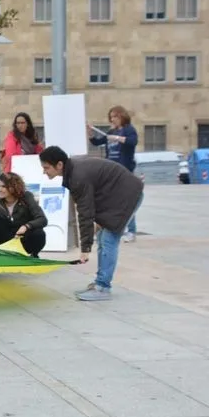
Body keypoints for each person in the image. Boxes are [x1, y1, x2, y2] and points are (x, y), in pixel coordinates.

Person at [39, 146, 144, 302]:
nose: (44, 172)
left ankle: (103, 287)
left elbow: (85, 213)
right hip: (118, 196)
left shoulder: (77, 176)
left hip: (127, 196)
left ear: (59, 165)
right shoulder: (73, 170)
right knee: (103, 238)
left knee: (108, 241)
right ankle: (100, 283)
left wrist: (85, 248)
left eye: (46, 167)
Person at [88, 105, 140, 242]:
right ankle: (105, 228)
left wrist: (117, 138)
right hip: (111, 171)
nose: (113, 120)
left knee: (126, 201)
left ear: (122, 116)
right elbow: (98, 142)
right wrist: (91, 134)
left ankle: (131, 231)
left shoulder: (128, 130)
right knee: (109, 201)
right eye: (111, 117)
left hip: (124, 171)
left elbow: (132, 142)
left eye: (115, 117)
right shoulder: (111, 131)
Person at [0, 172, 48, 257]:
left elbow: (42, 219)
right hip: (8, 239)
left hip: (24, 239)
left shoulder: (26, 197)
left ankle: (34, 255)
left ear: (13, 187)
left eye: (3, 186)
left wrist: (26, 226)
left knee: (39, 233)